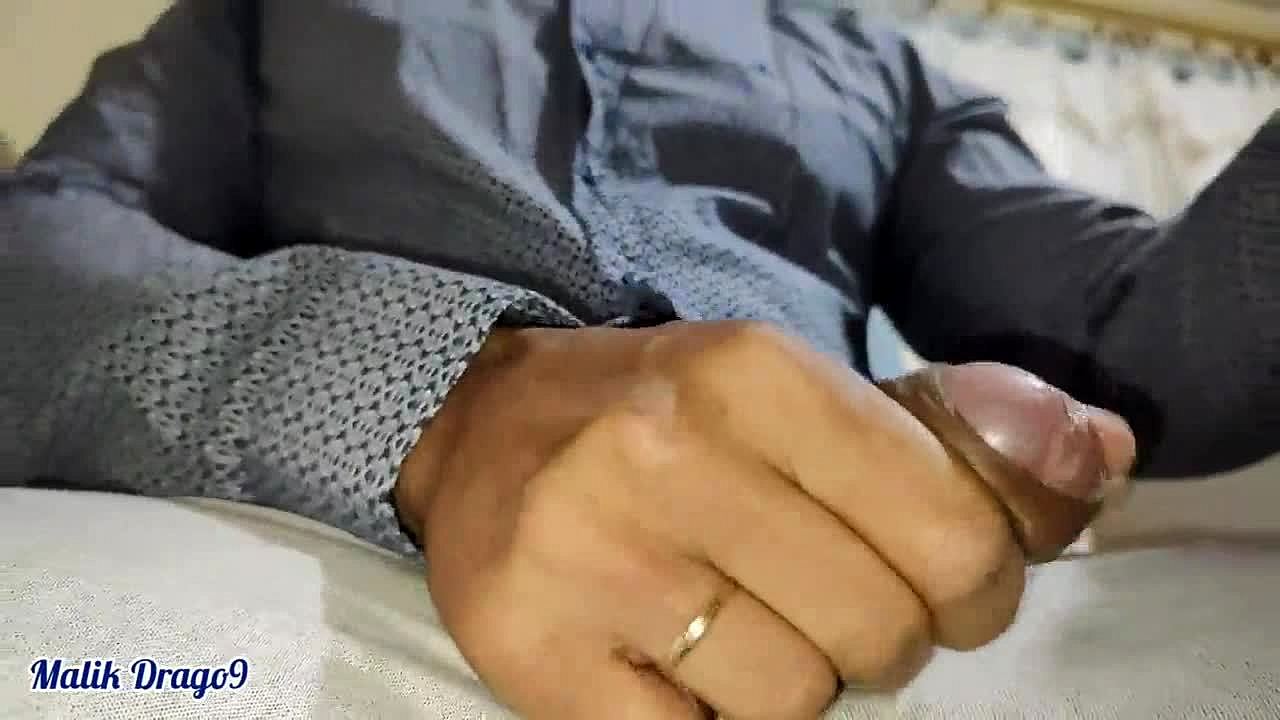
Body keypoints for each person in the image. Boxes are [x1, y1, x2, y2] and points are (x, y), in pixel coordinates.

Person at [2, 1, 1276, 717]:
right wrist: (442, 400)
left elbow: (1136, 346)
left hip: (833, 635)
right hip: (302, 548)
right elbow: (37, 249)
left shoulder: (887, 72)